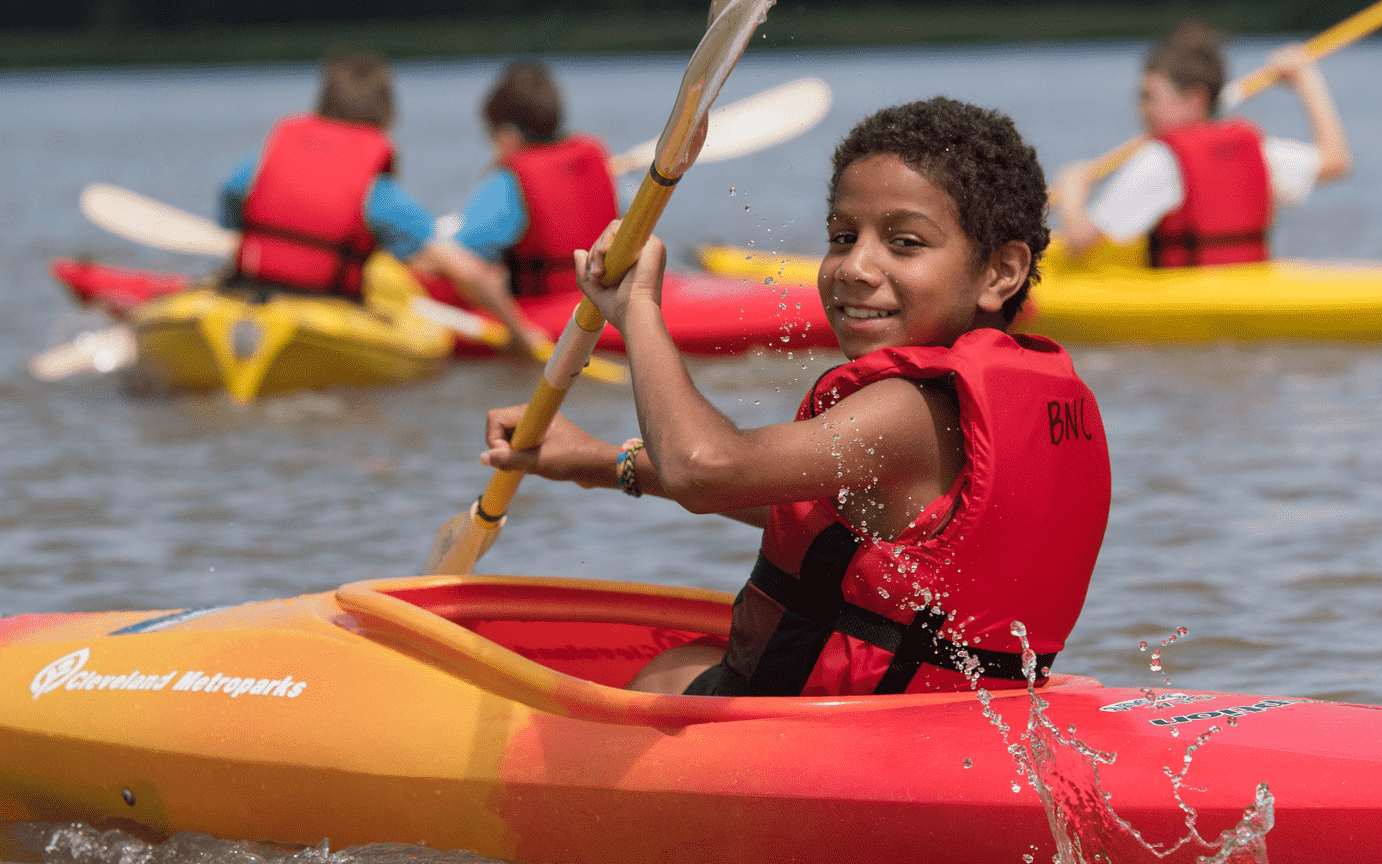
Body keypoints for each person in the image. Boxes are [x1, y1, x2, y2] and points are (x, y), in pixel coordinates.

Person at [481, 98, 1113, 697]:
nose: (855, 267)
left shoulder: (907, 410)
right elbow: (809, 518)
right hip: (952, 724)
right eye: (842, 236)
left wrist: (638, 311)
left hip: (836, 742)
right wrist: (594, 461)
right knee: (686, 662)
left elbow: (707, 469)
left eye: (905, 243)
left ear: (1001, 272)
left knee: (669, 677)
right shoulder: (1018, 401)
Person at [218, 50, 546, 352]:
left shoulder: (265, 160)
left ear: (322, 104)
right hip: (326, 305)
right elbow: (461, 268)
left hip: (247, 293)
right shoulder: (376, 192)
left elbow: (231, 205)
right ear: (386, 118)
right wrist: (519, 332)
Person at [1054, 19, 1351, 267]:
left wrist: (1072, 194)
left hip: (1187, 307)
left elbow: (1079, 242)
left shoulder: (1159, 160)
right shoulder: (1254, 149)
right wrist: (1306, 78)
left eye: (1149, 98)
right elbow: (1336, 160)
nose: (1141, 110)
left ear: (1194, 99)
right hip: (1249, 300)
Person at [441, 59, 619, 300]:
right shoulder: (593, 161)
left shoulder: (507, 184)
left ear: (507, 136)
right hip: (600, 298)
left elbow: (457, 254)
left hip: (545, 307)